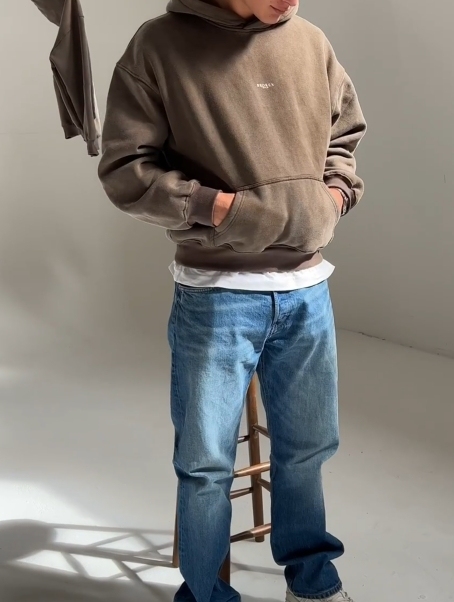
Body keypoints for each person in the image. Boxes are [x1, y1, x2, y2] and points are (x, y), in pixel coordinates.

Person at [98, 1, 366, 601]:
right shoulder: (159, 46)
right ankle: (206, 595)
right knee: (205, 465)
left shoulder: (310, 41)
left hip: (306, 291)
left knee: (309, 449)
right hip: (216, 298)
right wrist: (220, 210)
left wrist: (333, 198)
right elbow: (125, 169)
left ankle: (312, 580)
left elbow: (344, 134)